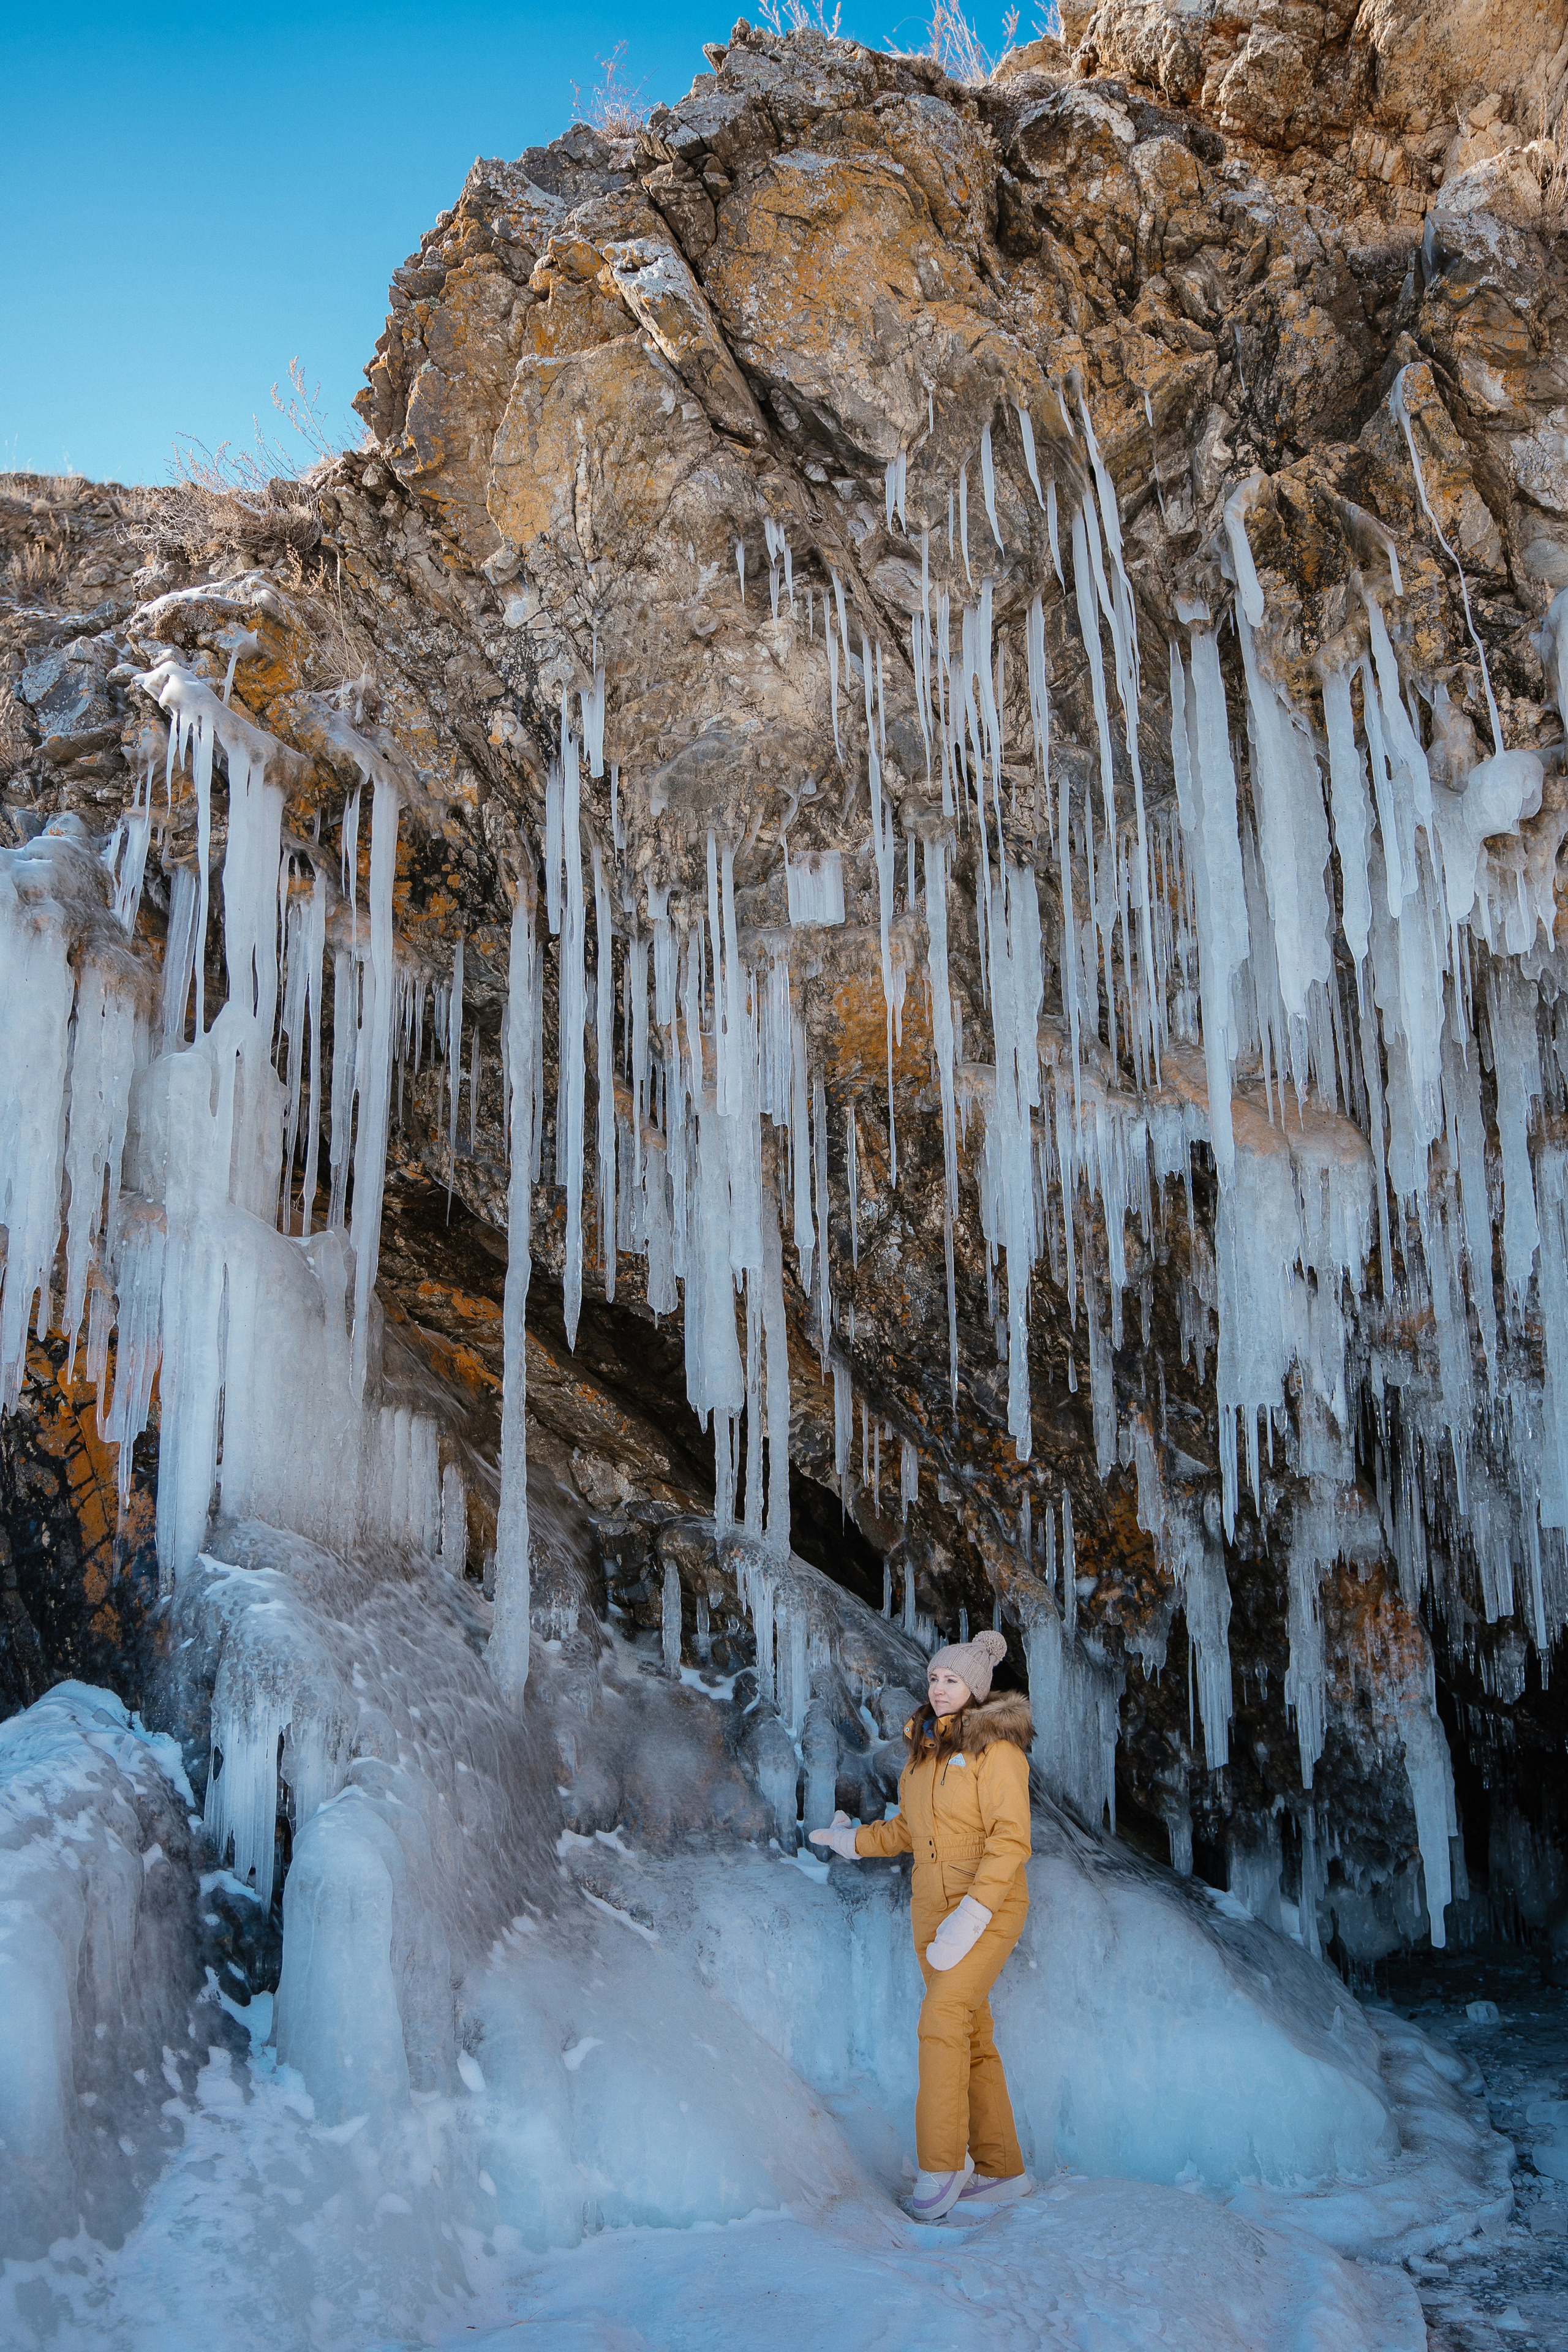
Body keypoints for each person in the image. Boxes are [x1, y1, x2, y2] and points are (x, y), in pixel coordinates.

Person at [810, 1627, 1035, 2221]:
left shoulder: (998, 1753)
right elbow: (910, 1833)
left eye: (952, 1680)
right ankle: (1001, 2169)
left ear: (976, 1690)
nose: (938, 1688)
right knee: (971, 2034)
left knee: (939, 2020)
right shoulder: (925, 1754)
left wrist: (975, 1912)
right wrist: (850, 1840)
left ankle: (944, 2163)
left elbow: (1011, 1842)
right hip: (931, 1908)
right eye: (934, 1678)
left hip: (985, 1907)